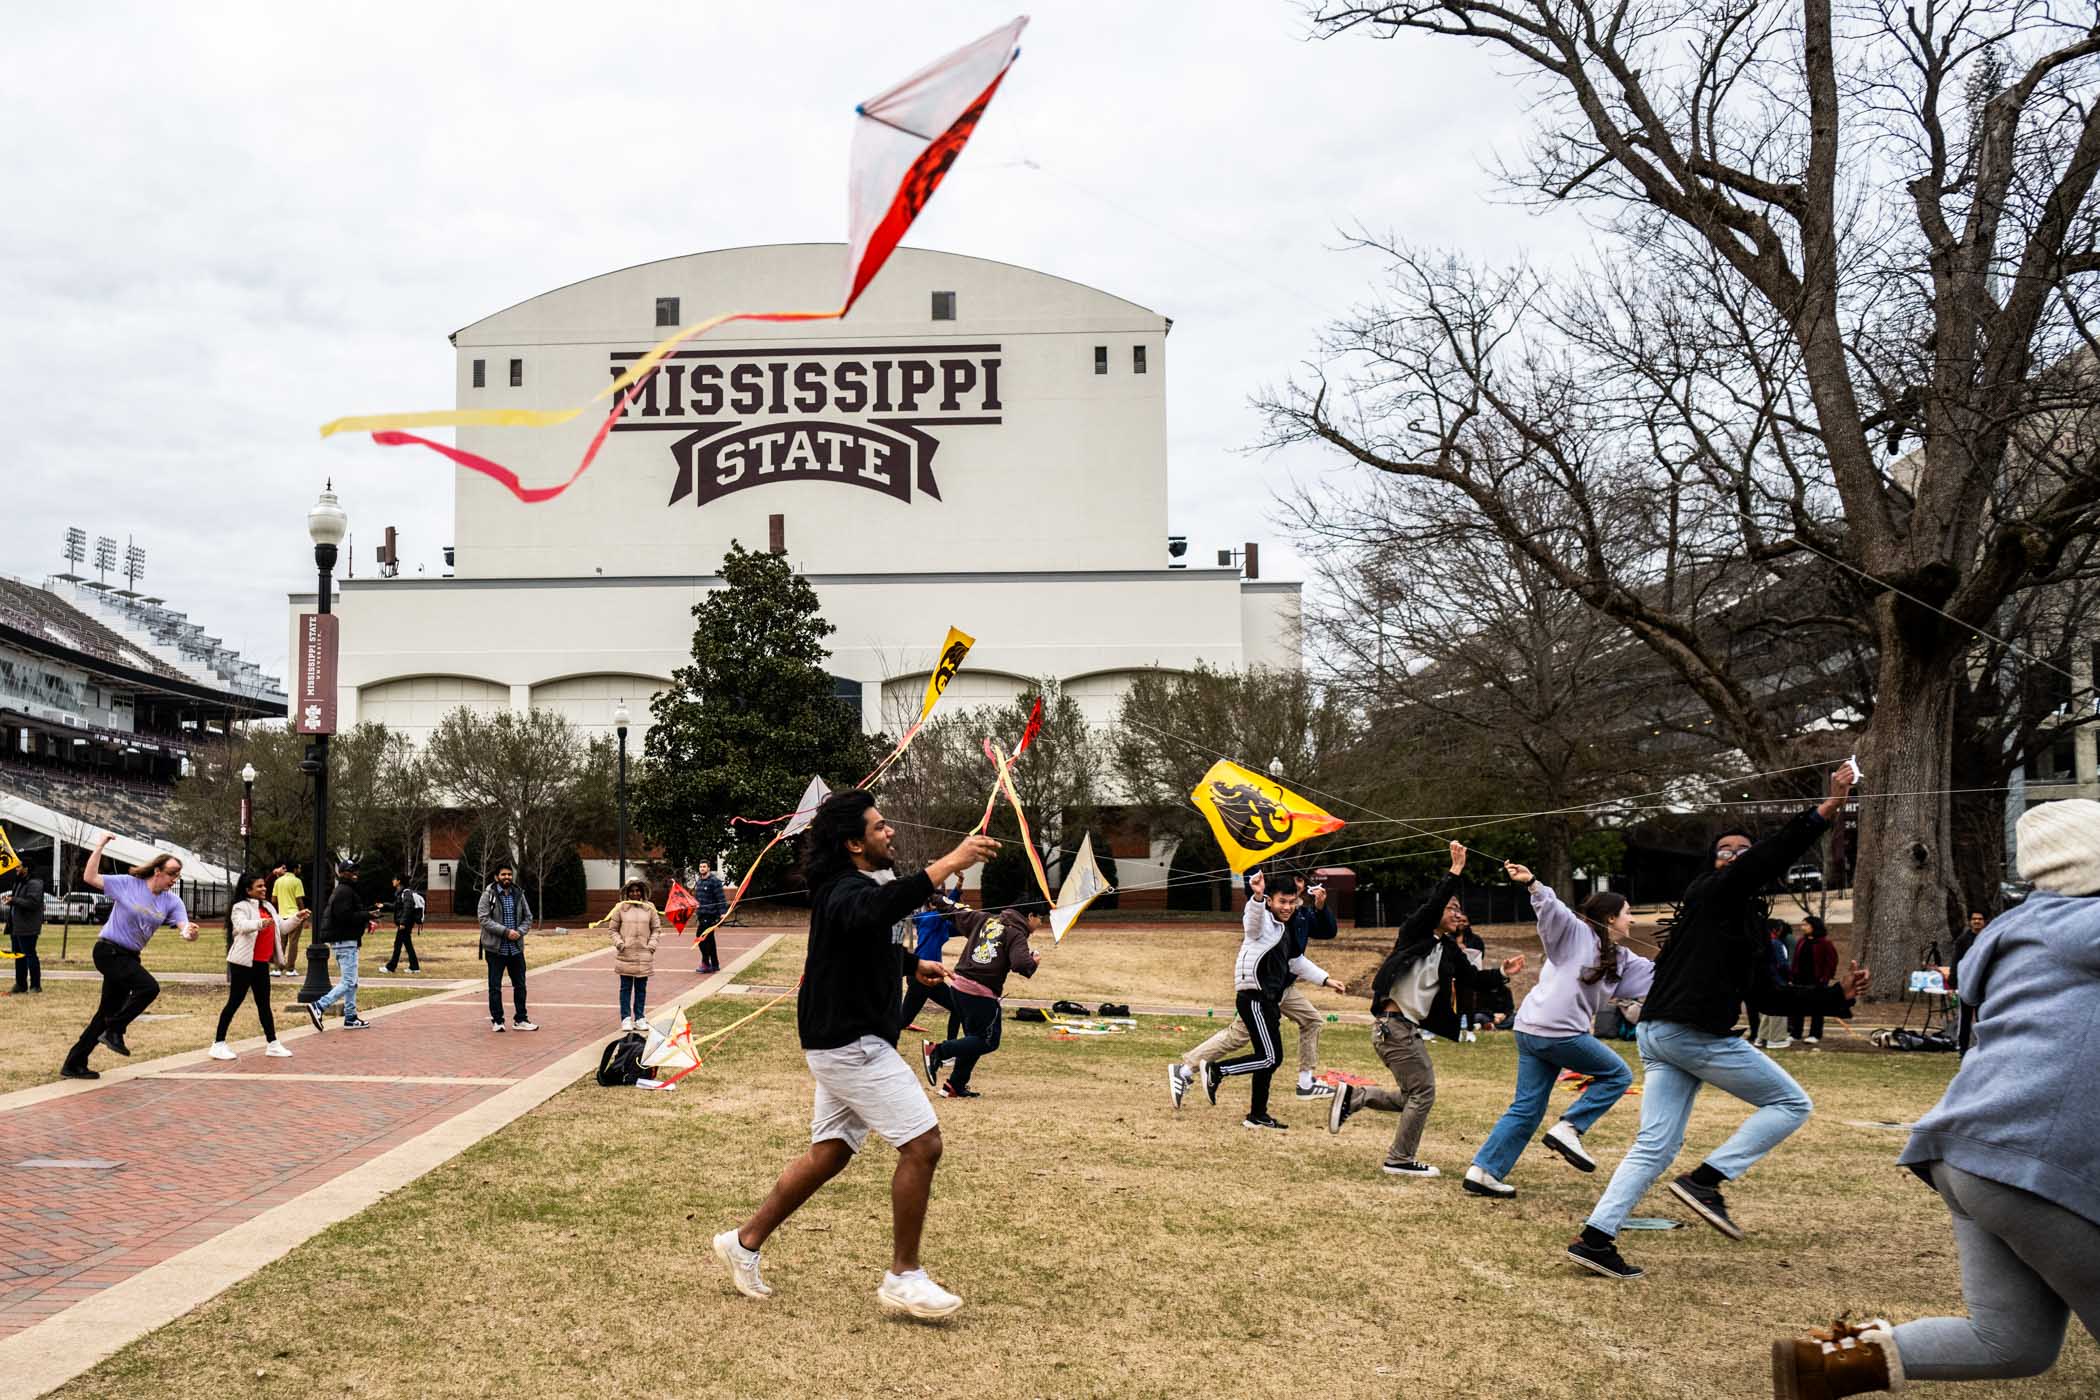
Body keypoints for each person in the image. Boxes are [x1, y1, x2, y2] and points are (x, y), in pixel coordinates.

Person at [1767, 798, 2100, 1397]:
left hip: (1968, 1155)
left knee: (2009, 1341)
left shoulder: (2015, 935)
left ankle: (1825, 1363)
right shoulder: (2086, 929)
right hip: (2031, 1162)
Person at [1567, 764, 1870, 1282]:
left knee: (1655, 1146)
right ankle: (1706, 1180)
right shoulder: (1709, 893)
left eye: (1740, 849)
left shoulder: (1749, 928)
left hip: (1665, 1037)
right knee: (1791, 1103)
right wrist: (1827, 808)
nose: (1733, 854)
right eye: (1725, 850)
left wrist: (1833, 997)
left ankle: (1595, 1238)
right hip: (1685, 1033)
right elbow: (1764, 861)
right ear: (1716, 864)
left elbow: (1769, 996)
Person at [712, 791, 997, 1320]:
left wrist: (911, 964)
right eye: (879, 826)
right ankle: (904, 1276)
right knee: (924, 1145)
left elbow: (871, 934)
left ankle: (743, 1242)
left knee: (831, 1152)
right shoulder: (841, 889)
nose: (889, 832)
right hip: (850, 1044)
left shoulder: (864, 887)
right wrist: (950, 862)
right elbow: (871, 910)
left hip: (846, 1042)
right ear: (853, 843)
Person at [1461, 867, 1655, 1199]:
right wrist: (1535, 885)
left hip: (1532, 1030)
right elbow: (1554, 911)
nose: (1632, 920)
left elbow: (1660, 977)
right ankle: (1569, 1127)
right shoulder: (1576, 934)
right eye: (1628, 913)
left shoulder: (1622, 959)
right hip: (1556, 1032)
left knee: (1527, 1107)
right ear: (1609, 918)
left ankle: (1482, 1171)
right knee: (1618, 1074)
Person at [1329, 844, 1522, 1176]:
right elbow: (1435, 901)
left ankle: (1356, 1097)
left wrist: (1503, 972)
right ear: (1435, 910)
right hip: (1393, 1027)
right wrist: (1456, 870)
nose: (1456, 913)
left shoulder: (1448, 949)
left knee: (1414, 1096)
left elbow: (1474, 979)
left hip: (1406, 1029)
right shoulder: (1413, 933)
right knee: (1423, 1092)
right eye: (1452, 907)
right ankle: (1399, 1160)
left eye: (1459, 909)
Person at [1191, 871, 1348, 1131]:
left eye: (1291, 902)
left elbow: (1295, 961)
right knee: (1270, 1058)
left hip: (1269, 1001)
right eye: (1281, 902)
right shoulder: (1261, 922)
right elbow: (1251, 921)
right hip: (1254, 998)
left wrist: (1326, 979)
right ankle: (1216, 1071)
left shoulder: (1285, 930)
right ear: (1270, 902)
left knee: (1268, 1060)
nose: (1286, 907)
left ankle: (1257, 1115)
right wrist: (1256, 895)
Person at [61, 836, 199, 1079]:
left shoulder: (171, 901)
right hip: (108, 951)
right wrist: (100, 846)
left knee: (106, 1012)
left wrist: (189, 933)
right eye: (171, 874)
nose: (174, 880)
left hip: (130, 957)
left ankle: (74, 1063)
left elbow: (184, 927)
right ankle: (116, 1028)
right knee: (148, 987)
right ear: (157, 871)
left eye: (177, 875)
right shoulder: (128, 884)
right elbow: (89, 878)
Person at [921, 903, 1039, 1098]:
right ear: (1030, 915)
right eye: (1039, 919)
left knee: (973, 1039)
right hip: (979, 992)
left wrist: (931, 895)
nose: (1039, 924)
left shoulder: (985, 919)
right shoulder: (1017, 933)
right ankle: (937, 1051)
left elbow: (955, 910)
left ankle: (954, 1085)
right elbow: (1020, 964)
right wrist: (1033, 962)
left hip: (959, 988)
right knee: (988, 1040)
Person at [211, 871, 301, 1060]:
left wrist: (297, 918)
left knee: (264, 1004)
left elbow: (281, 928)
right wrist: (260, 923)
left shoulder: (268, 906)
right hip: (243, 963)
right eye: (259, 886)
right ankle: (218, 1044)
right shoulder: (239, 907)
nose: (264, 889)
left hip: (261, 963)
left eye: (264, 885)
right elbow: (242, 926)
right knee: (234, 1001)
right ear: (248, 890)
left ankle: (273, 1044)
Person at [305, 860, 376, 1032]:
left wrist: (367, 916)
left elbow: (347, 915)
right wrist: (366, 915)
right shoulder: (344, 891)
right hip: (345, 942)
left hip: (345, 942)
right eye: (350, 870)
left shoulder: (344, 890)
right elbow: (345, 916)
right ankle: (319, 1006)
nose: (354, 873)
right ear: (342, 873)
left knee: (352, 982)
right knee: (348, 982)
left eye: (355, 870)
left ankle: (350, 1017)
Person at [478, 863, 536, 1032]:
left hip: (516, 949)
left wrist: (519, 932)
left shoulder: (519, 894)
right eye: (503, 874)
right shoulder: (488, 895)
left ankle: (521, 1019)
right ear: (497, 877)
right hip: (496, 949)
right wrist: (505, 932)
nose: (507, 877)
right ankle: (497, 1020)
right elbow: (483, 919)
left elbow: (528, 917)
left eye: (509, 874)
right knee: (495, 986)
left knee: (520, 985)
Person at [608, 878, 662, 1030]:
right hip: (626, 954)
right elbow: (613, 930)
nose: (635, 893)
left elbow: (656, 929)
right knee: (625, 988)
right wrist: (620, 944)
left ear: (642, 892)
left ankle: (640, 1017)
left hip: (644, 954)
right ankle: (625, 1018)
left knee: (641, 988)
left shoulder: (649, 908)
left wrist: (651, 945)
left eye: (637, 890)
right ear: (627, 892)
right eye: (632, 891)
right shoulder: (620, 908)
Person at [1786, 915, 1837, 1045]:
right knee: (1798, 1008)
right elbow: (1795, 961)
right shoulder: (1801, 942)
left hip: (1816, 981)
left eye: (1805, 925)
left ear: (1814, 926)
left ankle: (1815, 1034)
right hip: (1799, 981)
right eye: (1802, 924)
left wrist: (1824, 979)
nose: (1802, 927)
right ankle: (1796, 1033)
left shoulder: (1825, 943)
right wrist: (1792, 977)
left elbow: (1831, 962)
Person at [1750, 920, 1794, 1049]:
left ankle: (1761, 1037)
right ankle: (1776, 1039)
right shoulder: (1775, 943)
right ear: (1775, 930)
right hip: (1776, 980)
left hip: (1761, 981)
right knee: (1778, 1011)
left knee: (1766, 1011)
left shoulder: (1757, 942)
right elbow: (1782, 964)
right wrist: (1788, 978)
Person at [1948, 909, 1986, 1054]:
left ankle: (1984, 1047)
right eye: (1974, 919)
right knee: (1965, 1018)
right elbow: (1956, 961)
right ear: (1970, 922)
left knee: (1983, 1017)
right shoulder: (1963, 940)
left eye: (1980, 919)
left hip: (1984, 986)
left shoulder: (1988, 938)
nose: (1977, 921)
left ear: (1984, 922)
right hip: (1967, 984)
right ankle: (1963, 1048)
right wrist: (1953, 984)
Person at [6, 869, 44, 993]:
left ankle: (35, 986)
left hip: (28, 927)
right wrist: (11, 900)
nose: (16, 869)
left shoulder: (35, 883)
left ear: (27, 868)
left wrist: (14, 900)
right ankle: (20, 985)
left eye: (19, 866)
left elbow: (33, 903)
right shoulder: (20, 882)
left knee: (30, 955)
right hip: (16, 926)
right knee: (18, 956)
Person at [270, 861, 307, 976]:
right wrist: (303, 914)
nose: (300, 870)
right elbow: (299, 900)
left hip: (281, 916)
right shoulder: (297, 881)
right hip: (294, 915)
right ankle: (290, 969)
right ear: (295, 869)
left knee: (281, 943)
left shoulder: (278, 881)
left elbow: (273, 900)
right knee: (293, 943)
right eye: (299, 868)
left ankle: (277, 968)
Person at [382, 874, 423, 974]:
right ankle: (414, 967)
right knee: (406, 945)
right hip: (405, 923)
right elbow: (396, 906)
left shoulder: (406, 893)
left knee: (398, 945)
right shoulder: (401, 893)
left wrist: (403, 922)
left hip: (405, 924)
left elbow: (407, 908)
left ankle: (391, 967)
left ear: (399, 881)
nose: (393, 881)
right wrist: (384, 905)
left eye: (394, 879)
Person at [692, 860, 728, 973]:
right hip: (701, 914)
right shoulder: (699, 882)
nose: (702, 868)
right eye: (700, 866)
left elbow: (721, 898)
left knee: (700, 937)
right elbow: (697, 898)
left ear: (708, 868)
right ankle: (715, 964)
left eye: (704, 867)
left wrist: (723, 913)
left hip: (710, 915)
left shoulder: (714, 881)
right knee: (710, 940)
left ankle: (705, 963)